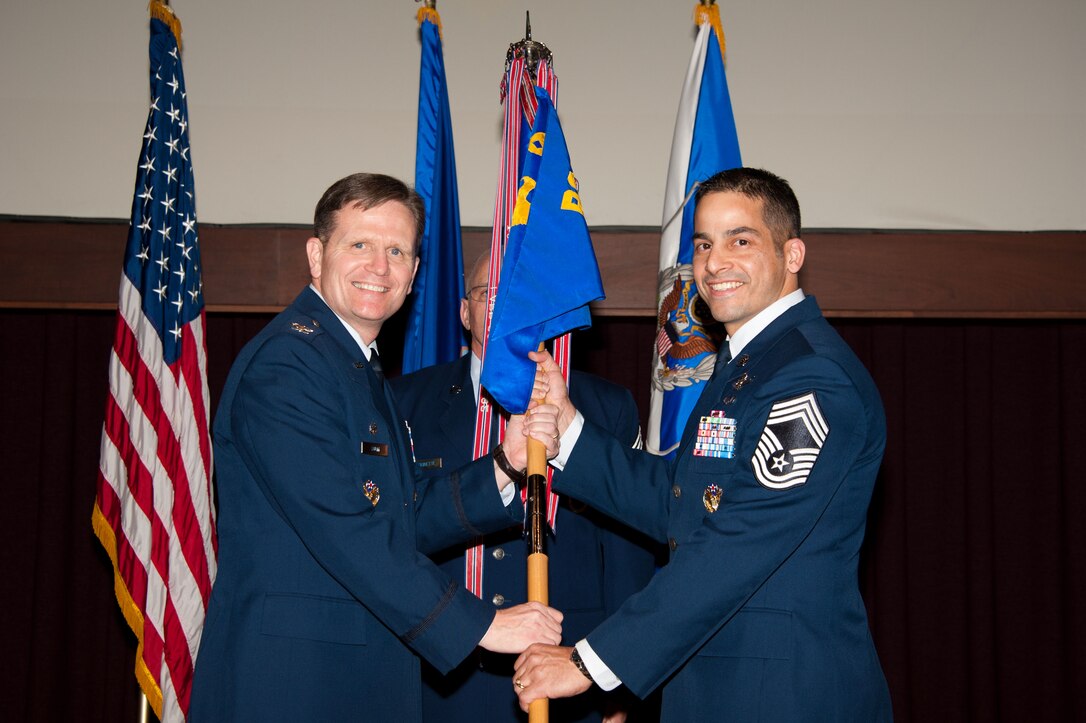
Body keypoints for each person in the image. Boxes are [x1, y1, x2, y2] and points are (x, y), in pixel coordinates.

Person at [513, 167, 893, 721]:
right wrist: (569, 428)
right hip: (719, 685)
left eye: (741, 240)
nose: (715, 264)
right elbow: (685, 502)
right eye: (703, 244)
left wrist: (589, 663)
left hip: (782, 696)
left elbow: (740, 541)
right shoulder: (746, 364)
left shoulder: (812, 376)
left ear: (792, 255)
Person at [189, 173, 564, 722]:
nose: (379, 267)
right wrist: (482, 625)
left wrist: (505, 464)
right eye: (359, 244)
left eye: (397, 251)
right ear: (317, 255)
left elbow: (402, 515)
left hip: (352, 677)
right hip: (293, 683)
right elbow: (345, 528)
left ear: (414, 274)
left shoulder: (356, 368)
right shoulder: (288, 365)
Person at [391, 253, 661, 723]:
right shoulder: (403, 403)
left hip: (570, 683)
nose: (505, 306)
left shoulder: (603, 406)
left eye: (519, 294)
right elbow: (391, 543)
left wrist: (620, 684)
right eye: (488, 294)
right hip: (439, 684)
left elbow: (628, 556)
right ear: (464, 311)